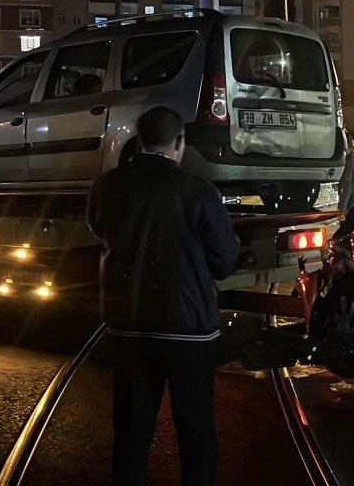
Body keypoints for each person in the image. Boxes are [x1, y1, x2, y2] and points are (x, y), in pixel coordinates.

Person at [86, 107, 240, 486]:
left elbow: (98, 229)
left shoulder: (107, 185)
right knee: (196, 431)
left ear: (138, 142)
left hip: (129, 327)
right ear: (179, 143)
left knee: (132, 433)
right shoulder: (199, 191)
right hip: (189, 330)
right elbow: (224, 263)